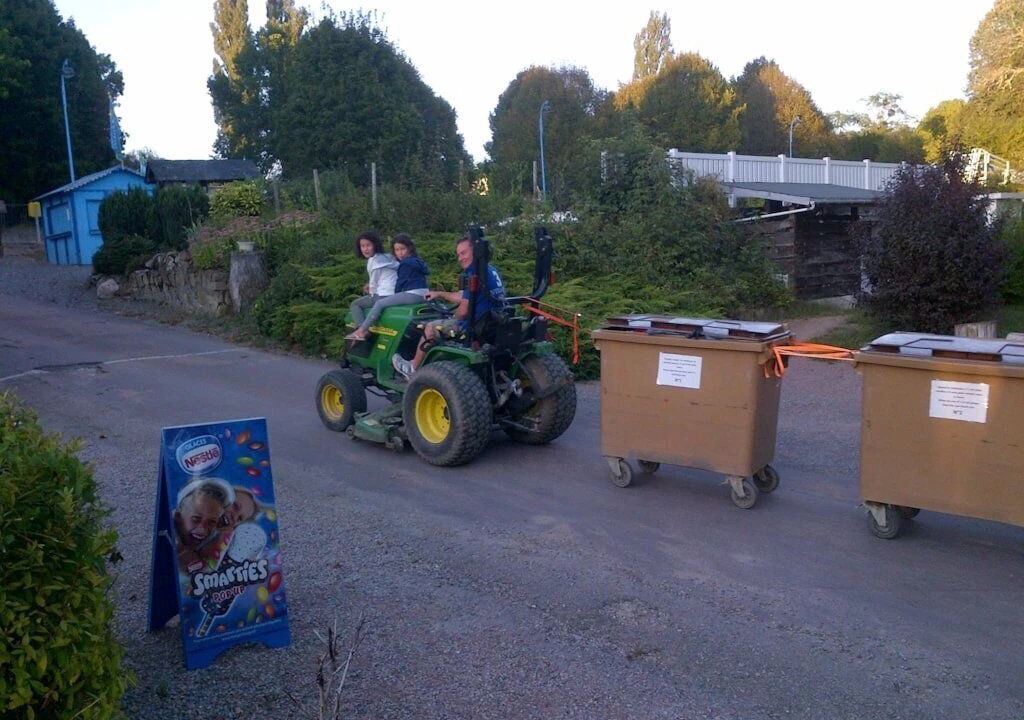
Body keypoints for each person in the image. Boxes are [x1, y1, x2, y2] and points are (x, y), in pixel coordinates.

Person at [392, 234, 505, 378]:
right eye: (458, 255)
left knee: (431, 327)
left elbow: (463, 311)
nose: (460, 258)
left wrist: (453, 317)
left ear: (476, 251)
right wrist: (439, 294)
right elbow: (463, 296)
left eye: (463, 253)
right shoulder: (489, 270)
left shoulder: (474, 274)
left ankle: (412, 368)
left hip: (474, 325)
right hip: (491, 321)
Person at [345, 233, 430, 341]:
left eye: (368, 245)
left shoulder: (399, 263)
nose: (400, 253)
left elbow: (397, 283)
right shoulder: (413, 260)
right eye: (397, 250)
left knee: (376, 303)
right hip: (422, 292)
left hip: (410, 293)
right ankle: (362, 330)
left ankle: (361, 330)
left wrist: (396, 293)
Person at [173, 478, 233, 573]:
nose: (203, 530)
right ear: (178, 517)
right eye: (195, 519)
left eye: (211, 522)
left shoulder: (217, 539)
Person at [348, 230, 398, 333]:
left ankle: (360, 330)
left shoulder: (375, 261)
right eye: (362, 246)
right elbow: (385, 277)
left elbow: (374, 286)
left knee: (355, 304)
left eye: (368, 245)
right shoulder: (387, 256)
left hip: (384, 294)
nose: (365, 249)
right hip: (396, 292)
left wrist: (369, 290)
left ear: (375, 245)